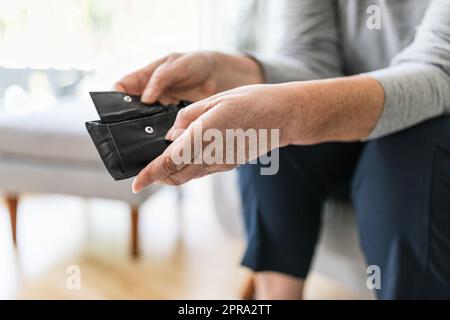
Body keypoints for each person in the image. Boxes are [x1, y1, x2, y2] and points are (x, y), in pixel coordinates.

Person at [114, 0, 450, 299]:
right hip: (347, 128)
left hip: (434, 121)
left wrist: (294, 113)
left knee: (403, 156)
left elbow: (438, 72)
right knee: (272, 144)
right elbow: (312, 59)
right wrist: (221, 71)